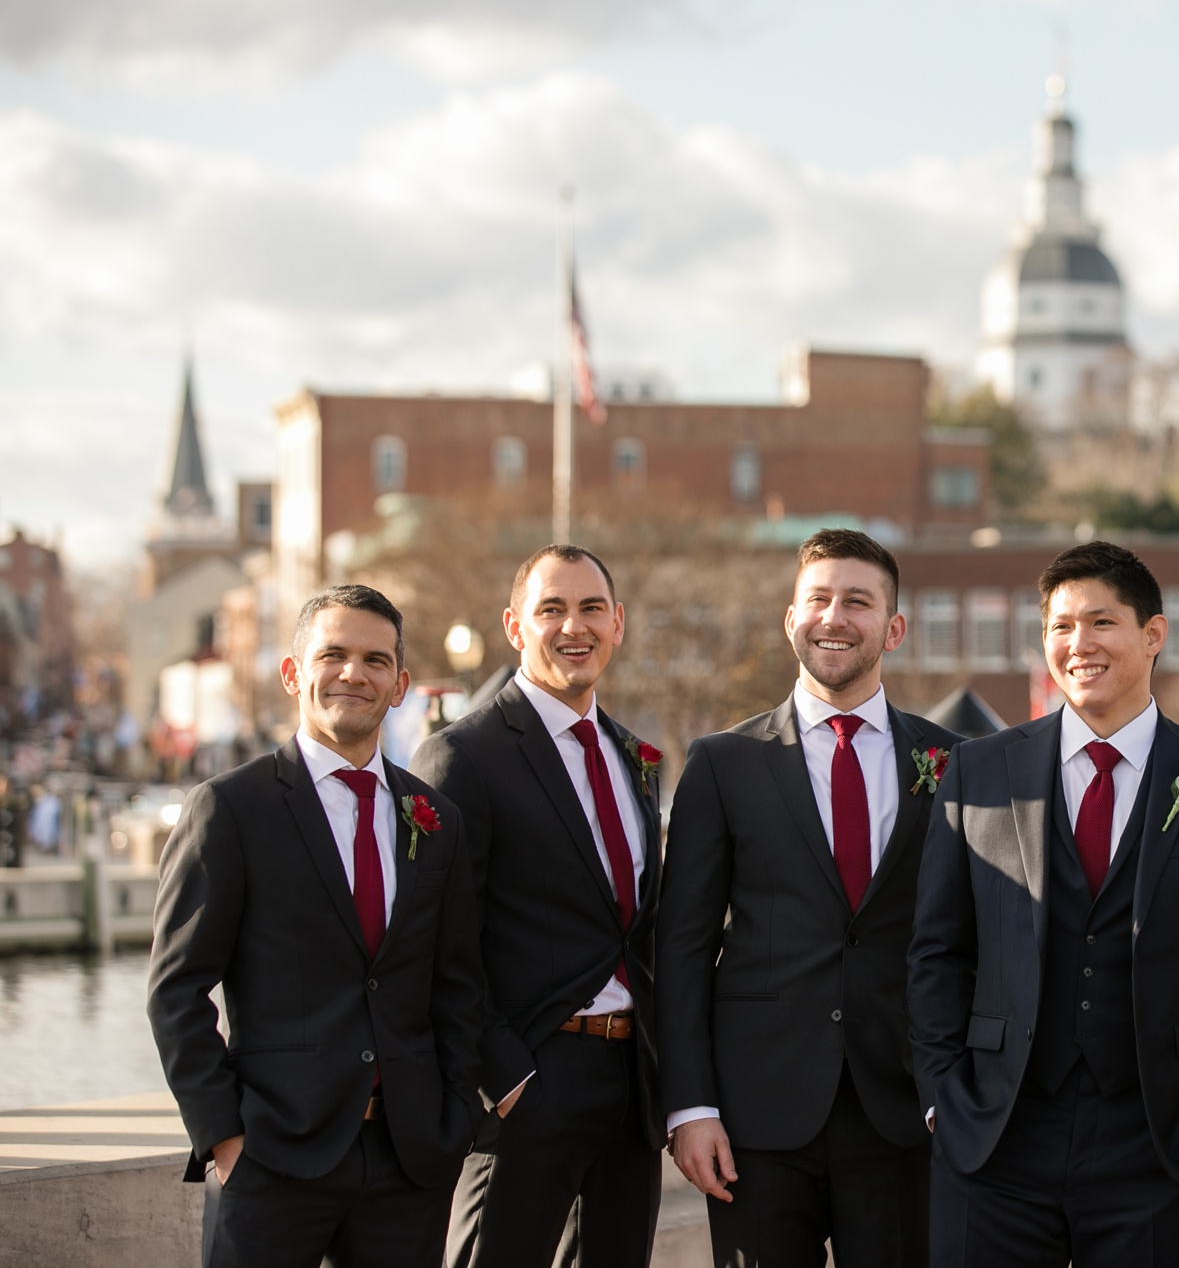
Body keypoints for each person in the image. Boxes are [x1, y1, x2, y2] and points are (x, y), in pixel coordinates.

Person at [908, 540, 1179, 1268]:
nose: (1077, 643)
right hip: (994, 1132)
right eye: (1059, 626)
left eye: (1100, 622)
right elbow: (938, 948)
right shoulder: (978, 770)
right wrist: (942, 1096)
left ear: (1154, 634)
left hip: (1161, 1139)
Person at [147, 584, 483, 1268]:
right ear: (294, 671)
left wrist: (451, 1121)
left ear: (400, 684)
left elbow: (456, 985)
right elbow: (176, 990)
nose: (353, 673)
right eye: (333, 654)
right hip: (273, 1158)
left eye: (375, 659)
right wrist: (225, 1138)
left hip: (408, 1163)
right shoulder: (229, 809)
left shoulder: (436, 818)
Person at [658, 528, 962, 1266]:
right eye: (818, 599)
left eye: (857, 601)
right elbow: (683, 946)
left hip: (902, 1111)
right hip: (757, 1119)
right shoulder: (724, 763)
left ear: (893, 627)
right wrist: (691, 1107)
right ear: (790, 617)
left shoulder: (951, 762)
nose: (835, 616)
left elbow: (972, 940)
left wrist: (959, 1091)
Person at [412, 545, 666, 1268]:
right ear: (515, 626)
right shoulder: (464, 755)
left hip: (631, 1089)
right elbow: (437, 942)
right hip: (530, 1083)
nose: (573, 626)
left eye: (591, 608)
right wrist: (509, 1078)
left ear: (617, 623)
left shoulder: (636, 757)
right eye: (551, 608)